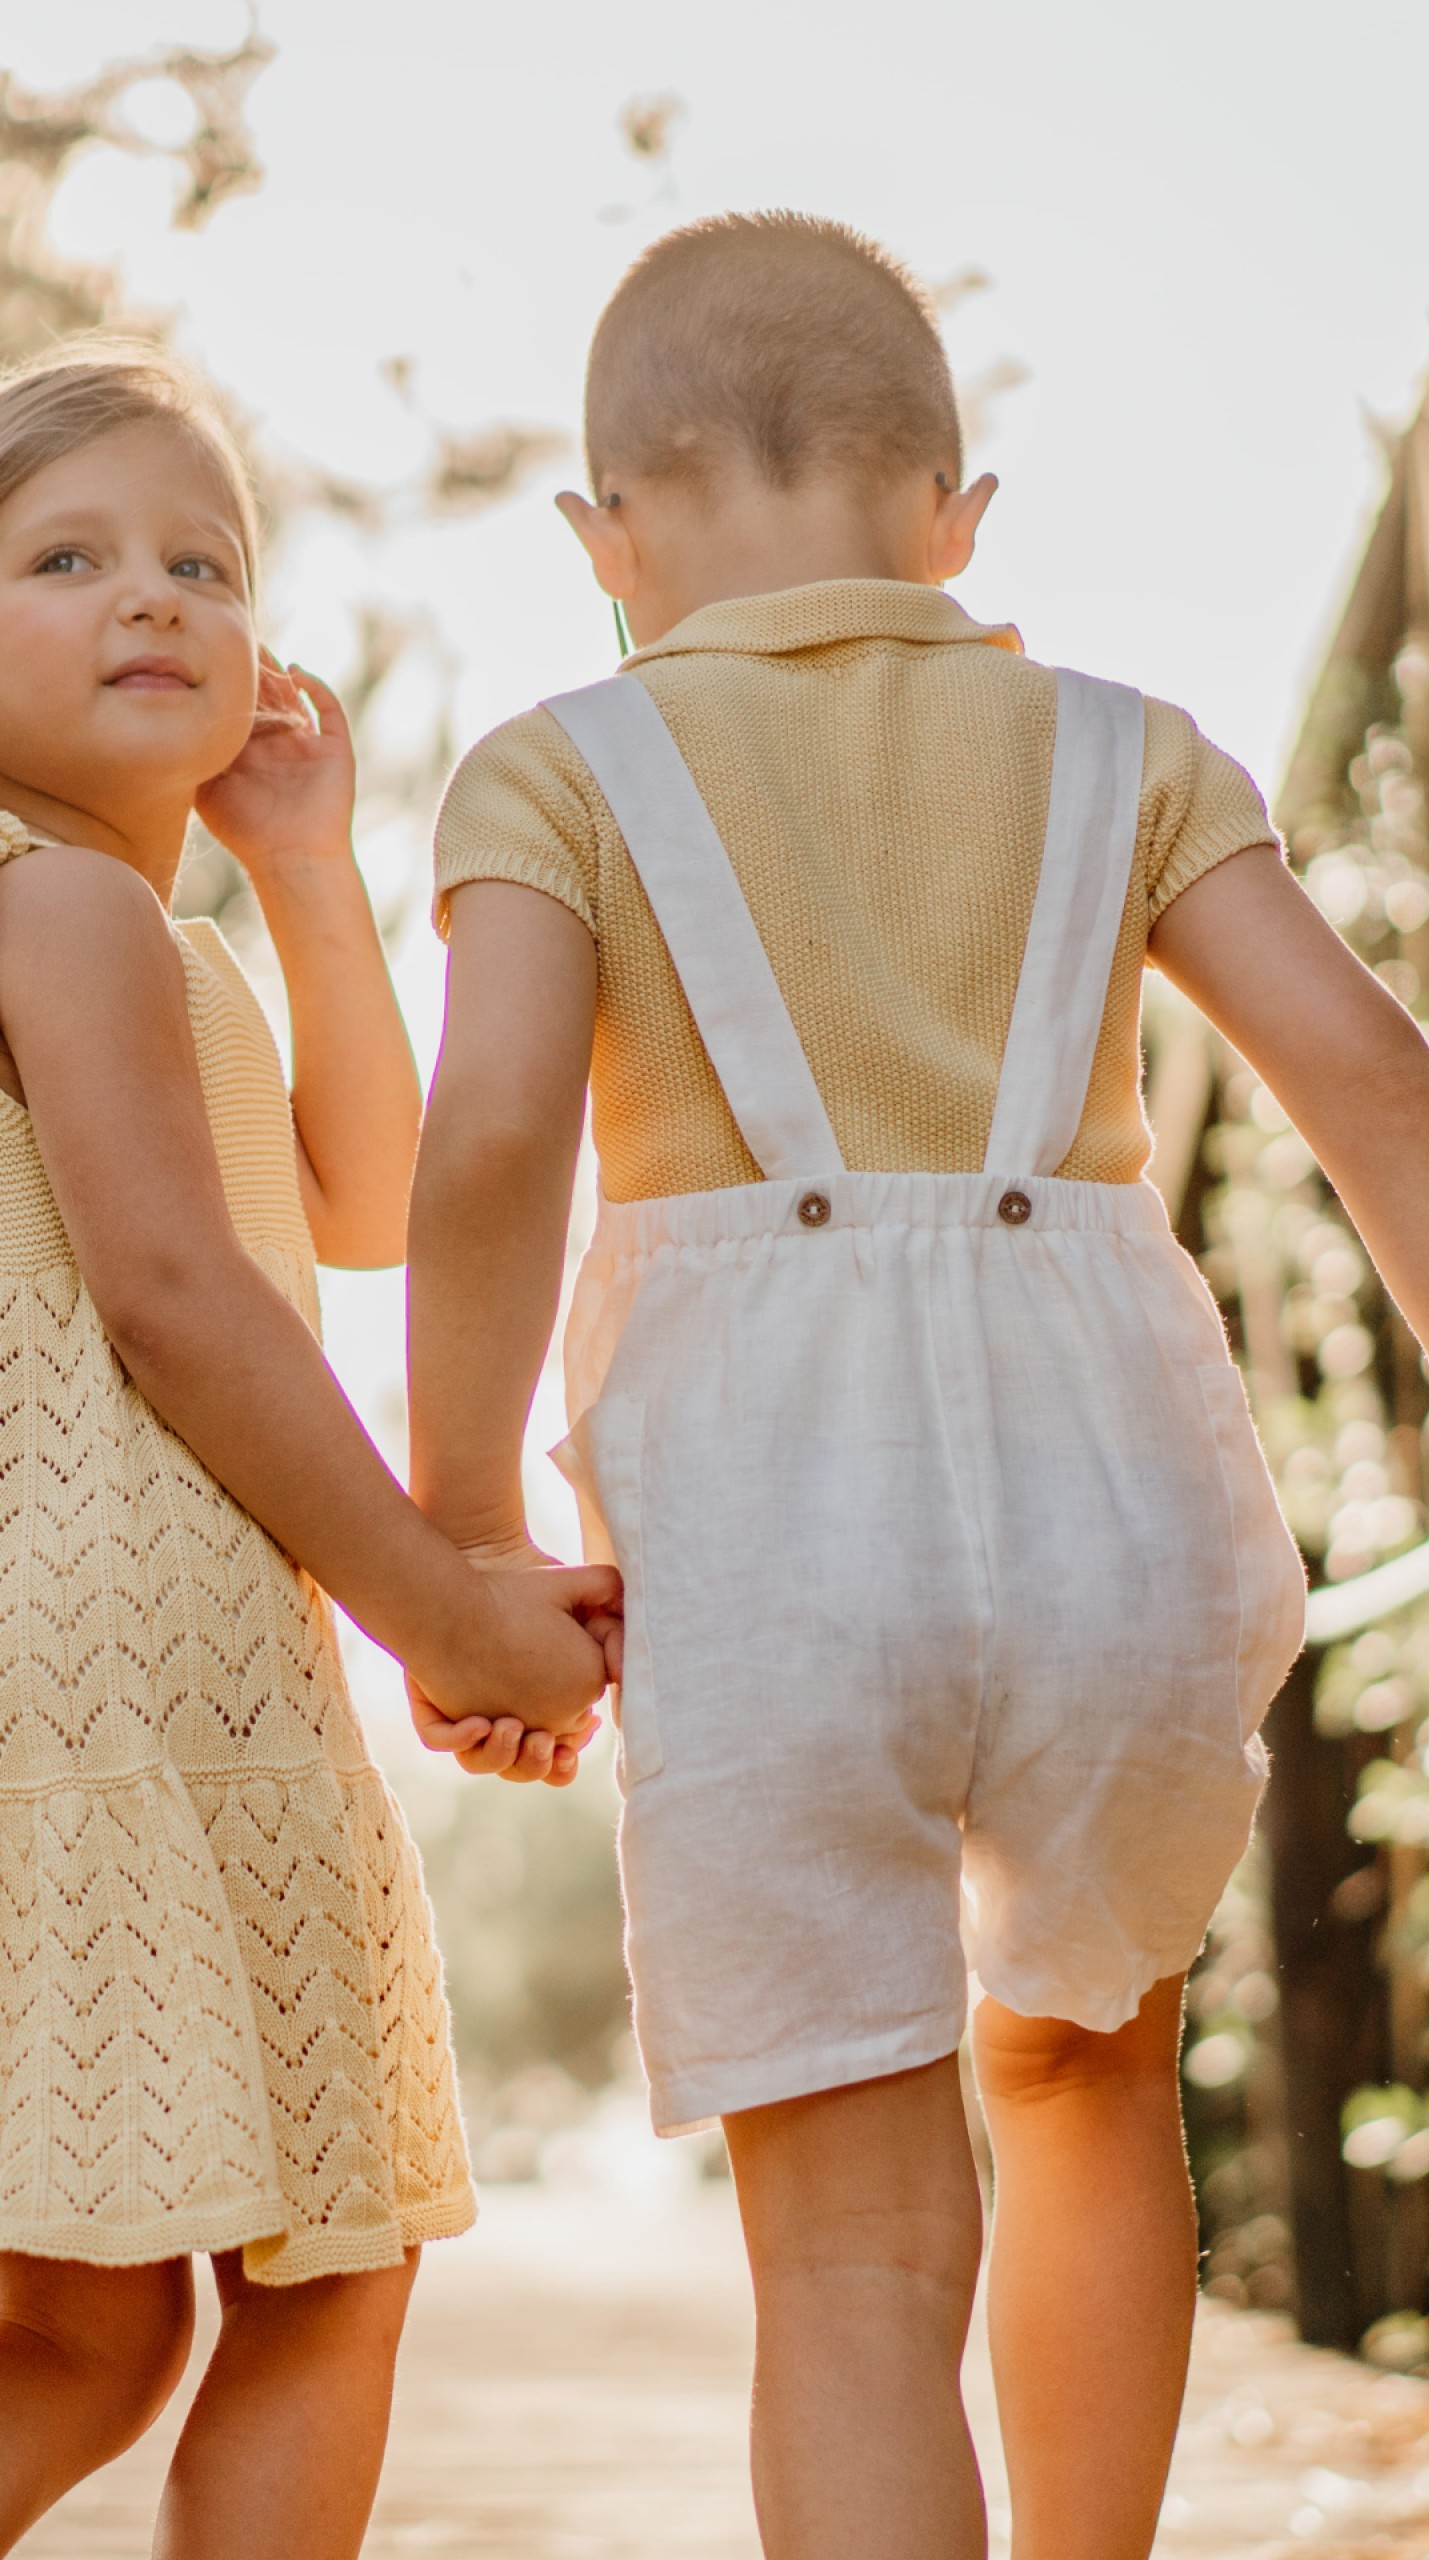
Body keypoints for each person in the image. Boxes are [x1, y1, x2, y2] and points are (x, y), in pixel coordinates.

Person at [407, 214, 1429, 2560]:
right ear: (958, 516)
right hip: (1115, 1504)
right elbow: (1375, 1080)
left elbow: (486, 1153)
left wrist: (467, 1534)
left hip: (765, 1535)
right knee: (1084, 2072)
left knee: (857, 2251)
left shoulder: (553, 774)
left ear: (602, 538)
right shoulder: (1123, 750)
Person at [0, 342, 617, 2560]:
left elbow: (364, 1199)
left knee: (83, 2329)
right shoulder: (59, 905)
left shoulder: (138, 926)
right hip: (135, 1665)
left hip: (115, 1668)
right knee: (325, 2265)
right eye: (65, 559)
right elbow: (177, 1298)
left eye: (204, 563)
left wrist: (305, 865)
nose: (151, 596)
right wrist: (438, 1599)